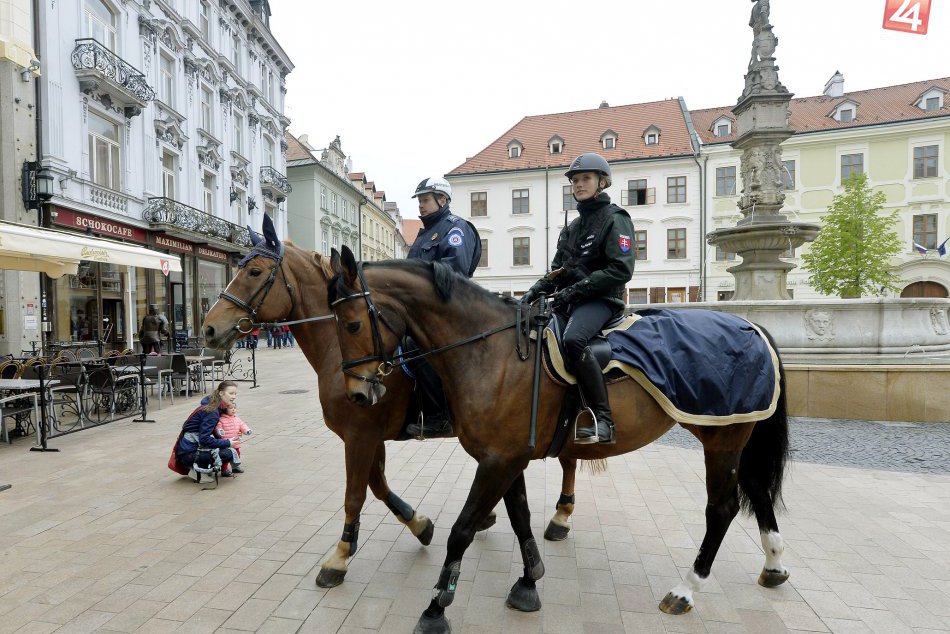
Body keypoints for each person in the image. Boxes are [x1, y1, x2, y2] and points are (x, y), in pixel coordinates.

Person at [521, 153, 635, 444]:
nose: (579, 184)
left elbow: (621, 269)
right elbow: (557, 271)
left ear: (602, 182)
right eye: (575, 180)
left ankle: (603, 419)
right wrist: (533, 292)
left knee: (573, 340)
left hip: (602, 300)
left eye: (585, 178)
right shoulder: (571, 228)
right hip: (571, 300)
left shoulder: (616, 219)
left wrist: (576, 290)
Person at [404, 176, 481, 439]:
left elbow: (455, 272)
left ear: (443, 200)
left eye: (425, 200)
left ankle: (438, 417)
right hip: (424, 310)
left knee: (418, 348)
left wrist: (414, 280)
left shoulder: (456, 229)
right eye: (420, 201)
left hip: (449, 310)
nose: (421, 206)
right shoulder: (425, 233)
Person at [175, 380, 243, 477]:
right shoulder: (212, 412)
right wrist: (227, 443)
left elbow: (214, 431)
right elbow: (204, 439)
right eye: (231, 393)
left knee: (225, 448)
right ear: (221, 393)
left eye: (235, 394)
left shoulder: (214, 405)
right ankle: (197, 471)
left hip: (187, 449)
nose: (234, 397)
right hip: (188, 453)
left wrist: (233, 433)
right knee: (228, 453)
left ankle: (201, 468)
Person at [215, 403, 252, 474]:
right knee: (226, 456)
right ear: (225, 410)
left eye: (234, 408)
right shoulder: (221, 419)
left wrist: (247, 430)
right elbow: (218, 427)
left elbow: (242, 425)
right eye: (231, 408)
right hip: (226, 441)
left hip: (235, 441)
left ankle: (235, 467)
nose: (233, 409)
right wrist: (220, 431)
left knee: (237, 454)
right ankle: (224, 469)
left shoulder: (236, 418)